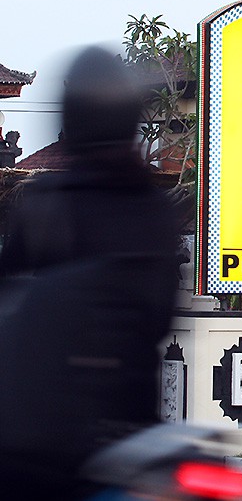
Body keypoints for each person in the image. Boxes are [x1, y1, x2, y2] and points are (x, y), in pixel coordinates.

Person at [0, 47, 181, 499]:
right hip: (128, 428)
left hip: (36, 434)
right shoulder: (154, 207)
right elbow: (160, 318)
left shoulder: (45, 199)